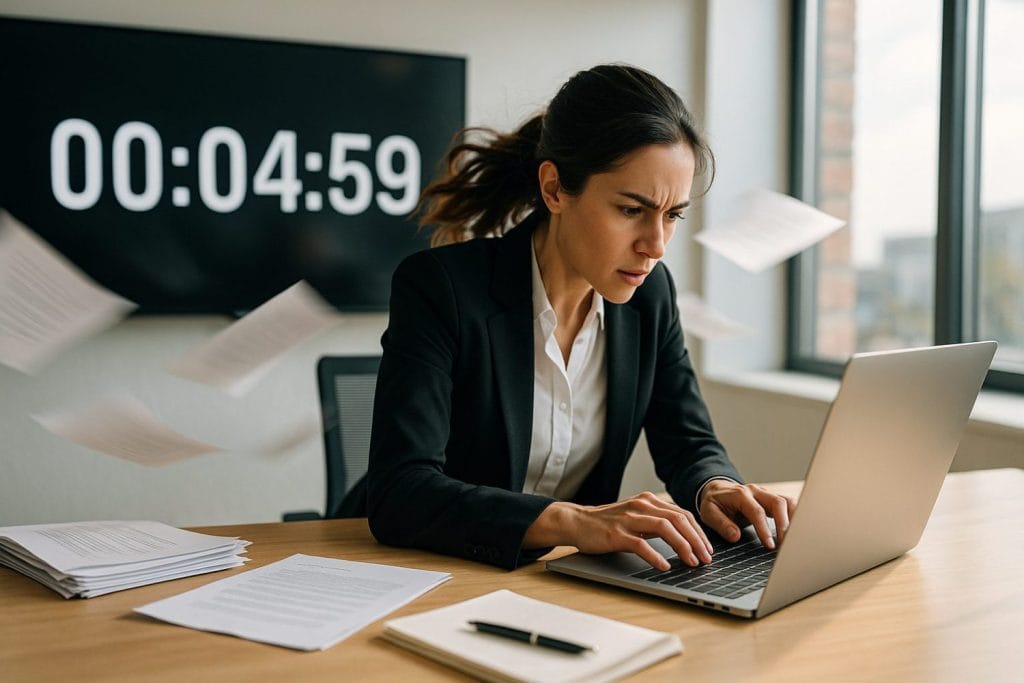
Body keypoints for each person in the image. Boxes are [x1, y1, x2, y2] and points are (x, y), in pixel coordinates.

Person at [366, 64, 796, 571]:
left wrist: (715, 488)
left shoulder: (649, 295)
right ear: (554, 189)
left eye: (673, 215)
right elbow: (400, 492)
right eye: (631, 210)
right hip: (424, 571)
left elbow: (688, 441)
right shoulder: (442, 288)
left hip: (565, 581)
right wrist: (573, 522)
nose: (655, 245)